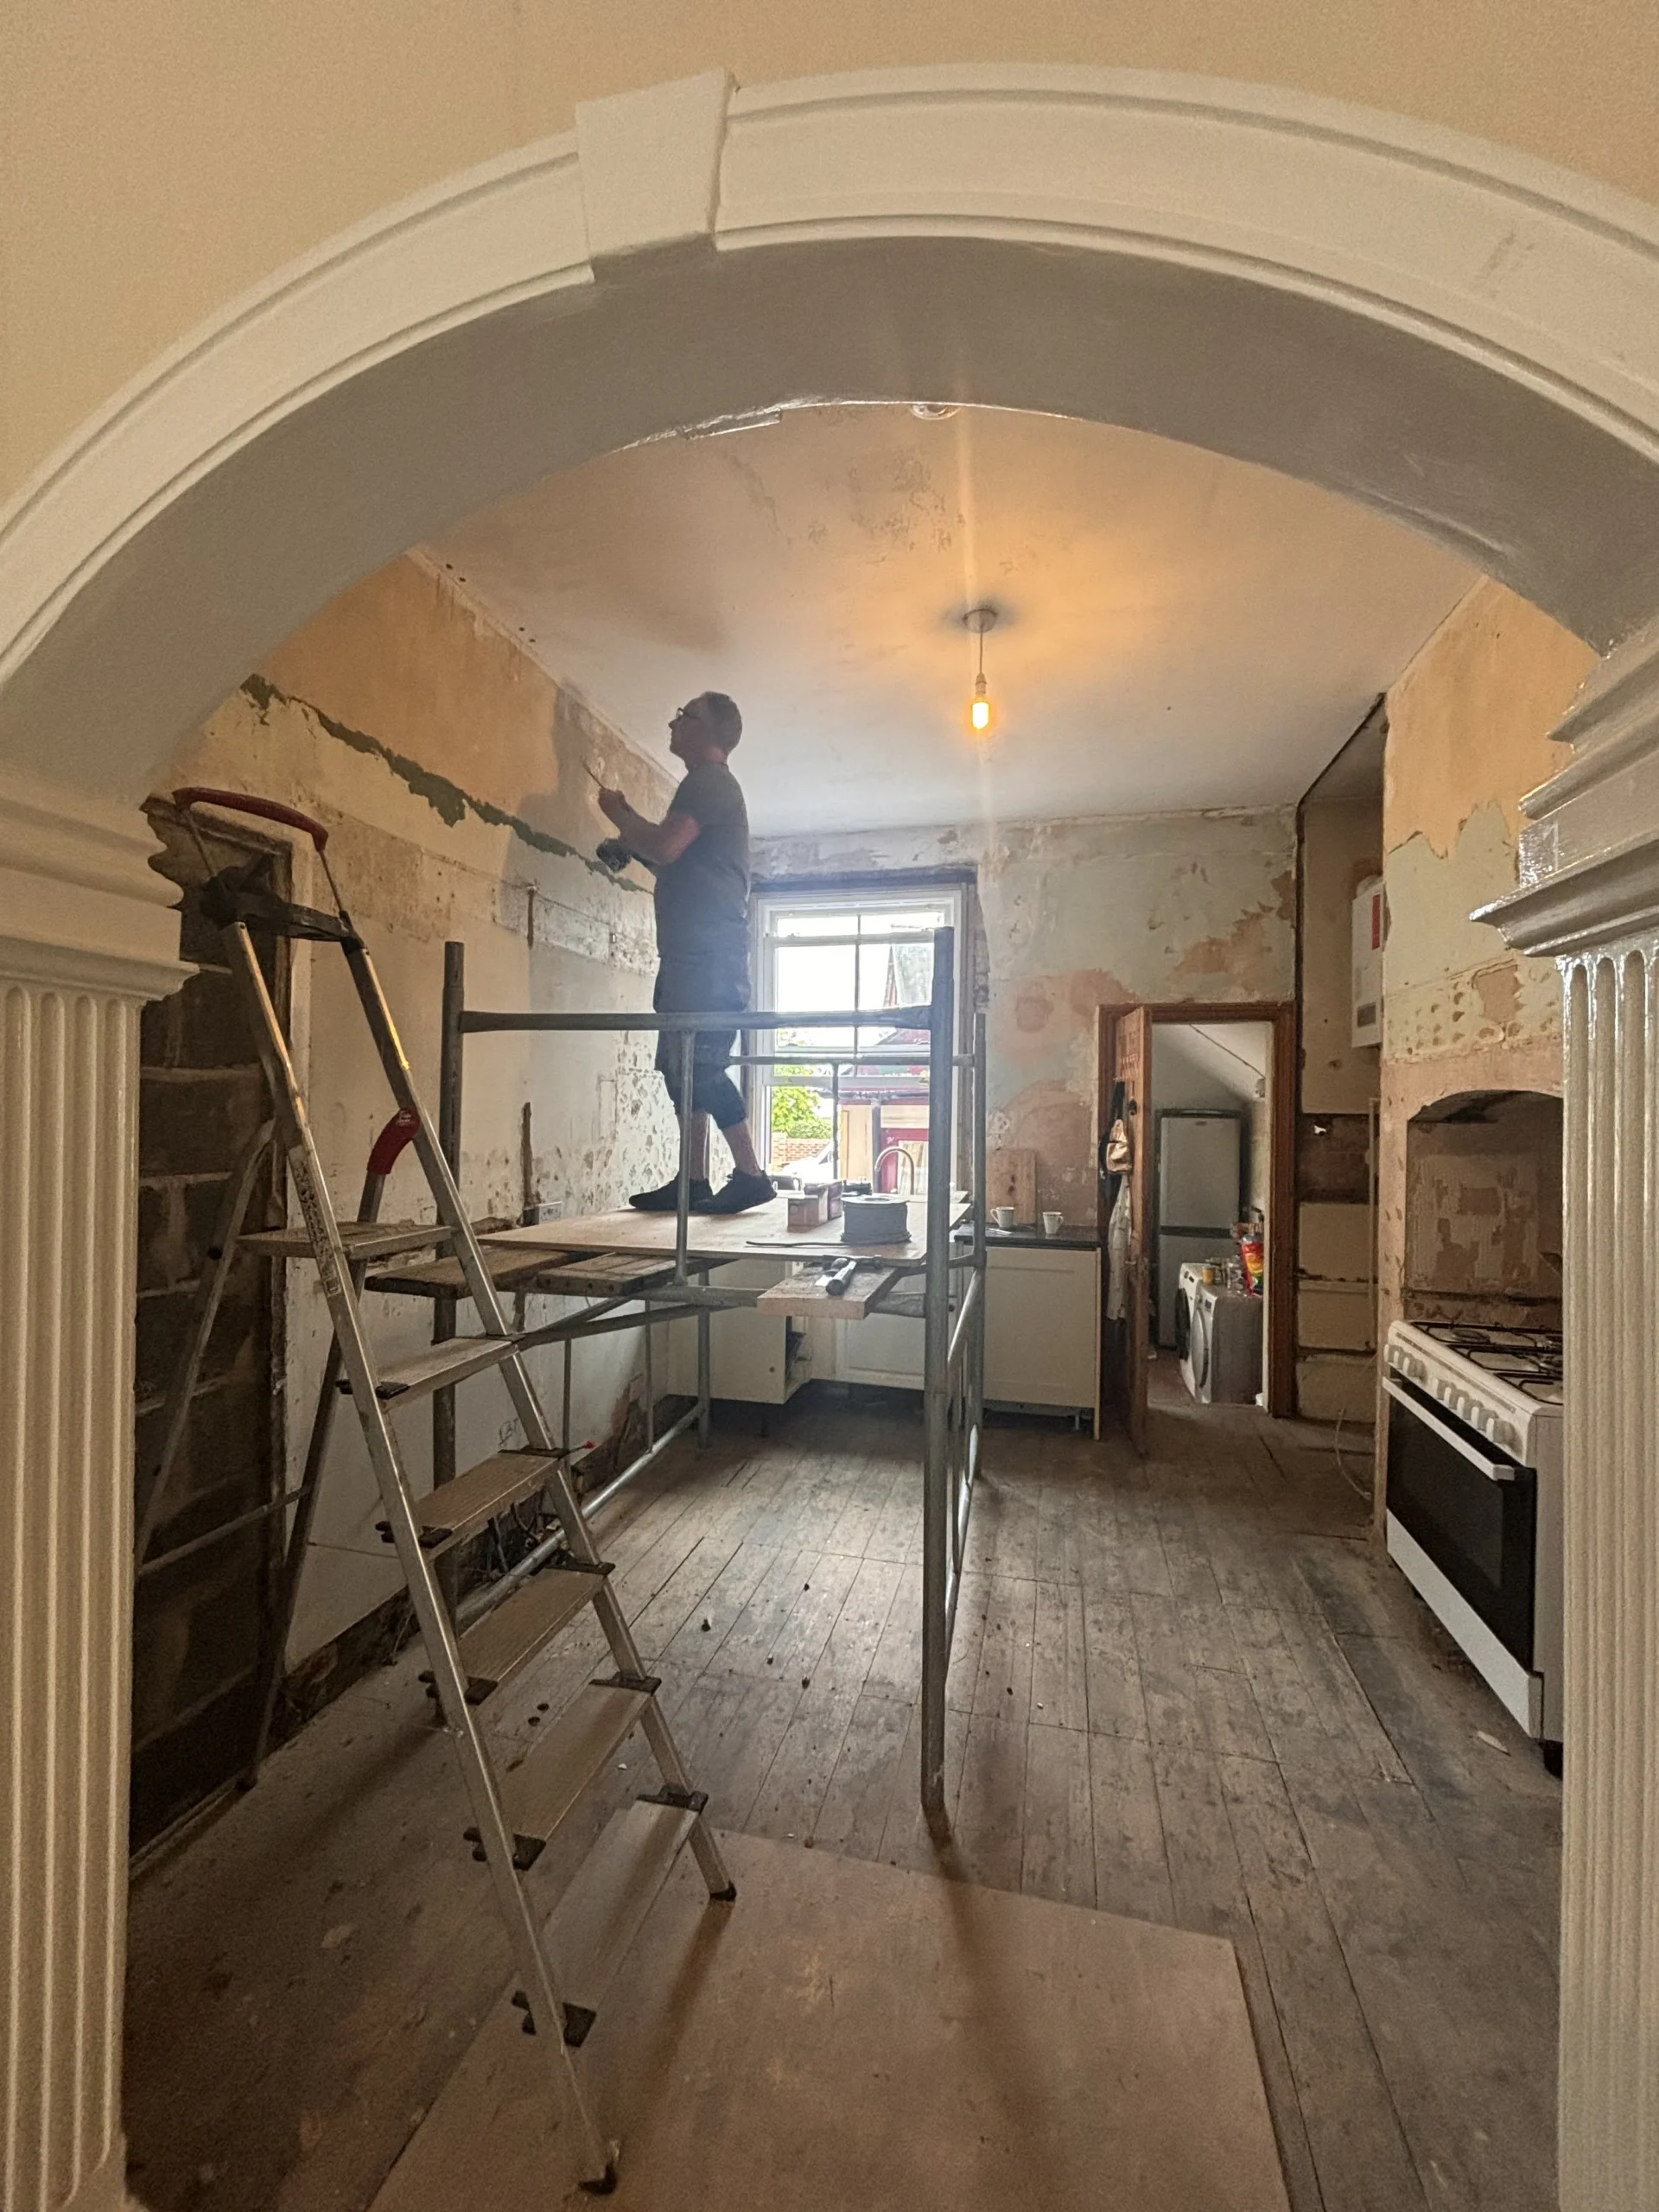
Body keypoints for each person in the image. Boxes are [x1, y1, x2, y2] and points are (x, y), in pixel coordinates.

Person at [596, 692, 776, 1215]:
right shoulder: (704, 786)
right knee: (680, 1069)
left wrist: (622, 815)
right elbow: (674, 862)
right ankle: (693, 1180)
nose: (674, 721)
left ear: (712, 732)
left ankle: (751, 1174)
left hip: (707, 960)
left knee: (700, 1066)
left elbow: (665, 846)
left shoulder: (709, 781)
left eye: (687, 715)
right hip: (692, 958)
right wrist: (631, 845)